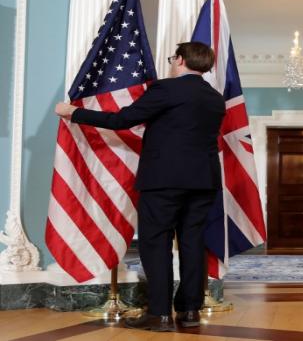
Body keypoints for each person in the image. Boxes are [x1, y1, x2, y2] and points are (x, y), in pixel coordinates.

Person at [55, 42, 225, 332]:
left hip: (163, 180)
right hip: (204, 180)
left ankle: (159, 314)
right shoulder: (215, 98)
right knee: (192, 243)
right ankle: (190, 311)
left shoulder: (166, 89)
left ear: (181, 60)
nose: (172, 63)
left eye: (173, 58)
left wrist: (74, 112)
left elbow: (123, 120)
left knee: (156, 242)